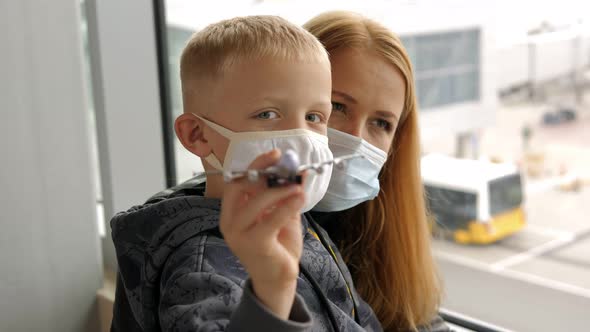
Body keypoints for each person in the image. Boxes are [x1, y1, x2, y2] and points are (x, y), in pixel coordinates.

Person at [109, 15, 382, 331]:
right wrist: (271, 292)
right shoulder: (199, 267)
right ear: (197, 135)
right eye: (267, 114)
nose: (302, 137)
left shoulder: (295, 222)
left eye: (314, 116)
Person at [304, 11, 448, 331]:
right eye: (337, 106)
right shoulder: (222, 235)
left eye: (381, 123)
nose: (356, 140)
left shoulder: (379, 229)